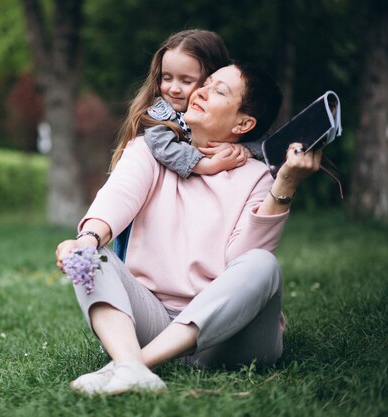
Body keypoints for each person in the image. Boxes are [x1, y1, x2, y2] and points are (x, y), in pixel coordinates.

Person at [55, 61, 322, 395]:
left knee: (262, 263)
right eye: (206, 83)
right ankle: (133, 364)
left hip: (233, 339)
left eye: (219, 90)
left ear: (244, 122)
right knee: (90, 256)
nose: (202, 91)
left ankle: (130, 365)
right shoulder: (148, 152)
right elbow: (115, 201)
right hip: (151, 318)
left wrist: (285, 185)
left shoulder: (257, 177)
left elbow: (240, 259)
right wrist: (88, 239)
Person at [113, 29, 265, 180]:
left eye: (186, 81)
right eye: (166, 78)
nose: (174, 89)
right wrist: (205, 165)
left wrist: (241, 149)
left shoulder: (226, 119)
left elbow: (265, 139)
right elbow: (162, 145)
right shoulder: (160, 113)